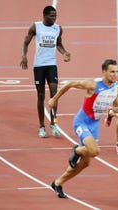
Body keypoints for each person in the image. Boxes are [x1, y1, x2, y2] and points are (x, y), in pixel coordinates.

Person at [48, 59, 118, 198]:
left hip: (94, 125)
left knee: (85, 163)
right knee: (95, 150)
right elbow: (70, 84)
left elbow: (115, 107)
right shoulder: (93, 84)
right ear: (104, 72)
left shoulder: (116, 87)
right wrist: (54, 99)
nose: (115, 74)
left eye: (117, 71)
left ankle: (57, 183)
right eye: (112, 71)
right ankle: (76, 149)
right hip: (81, 122)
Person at [20, 6, 71, 138]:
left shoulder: (58, 28)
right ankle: (42, 126)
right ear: (44, 15)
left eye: (55, 16)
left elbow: (59, 44)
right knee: (41, 95)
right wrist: (24, 56)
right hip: (39, 66)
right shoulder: (35, 27)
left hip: (51, 65)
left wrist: (64, 52)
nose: (54, 18)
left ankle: (53, 124)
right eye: (52, 16)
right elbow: (26, 42)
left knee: (54, 94)